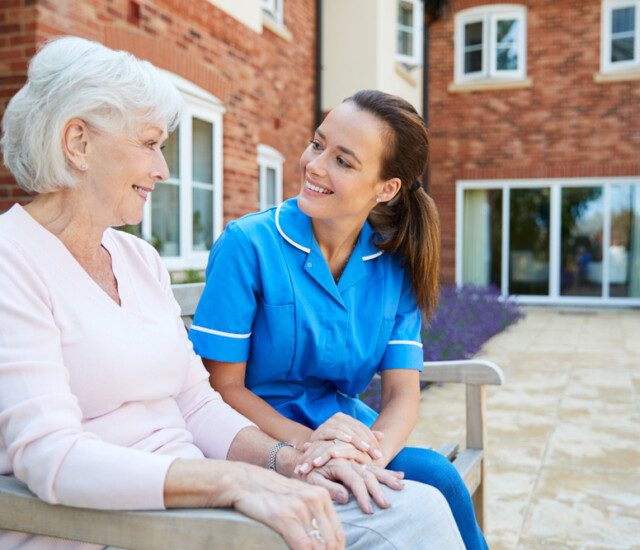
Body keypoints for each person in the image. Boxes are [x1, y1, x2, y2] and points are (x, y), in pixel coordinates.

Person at [0, 36, 466, 550]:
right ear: (79, 143)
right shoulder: (12, 261)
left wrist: (290, 463)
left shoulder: (138, 259)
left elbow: (196, 402)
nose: (163, 170)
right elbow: (50, 457)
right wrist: (237, 481)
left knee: (418, 507)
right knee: (411, 519)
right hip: (112, 526)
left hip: (198, 500)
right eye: (150, 144)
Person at [189, 89, 488, 549]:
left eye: (343, 161)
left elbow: (403, 391)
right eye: (317, 144)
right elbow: (221, 388)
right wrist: (313, 449)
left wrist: (369, 456)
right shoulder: (248, 245)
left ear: (386, 189)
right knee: (420, 491)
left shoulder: (394, 264)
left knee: (437, 478)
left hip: (346, 434)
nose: (315, 165)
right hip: (255, 441)